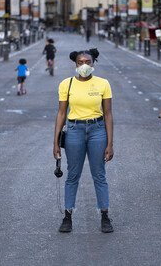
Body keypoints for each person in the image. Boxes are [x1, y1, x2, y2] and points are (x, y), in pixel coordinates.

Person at [53, 48, 114, 233]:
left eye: (88, 62)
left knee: (99, 175)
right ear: (75, 64)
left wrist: (110, 143)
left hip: (97, 130)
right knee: (73, 175)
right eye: (81, 62)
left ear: (94, 63)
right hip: (73, 131)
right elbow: (62, 113)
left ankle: (104, 215)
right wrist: (55, 141)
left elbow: (108, 114)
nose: (84, 65)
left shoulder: (103, 84)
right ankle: (67, 216)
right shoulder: (67, 84)